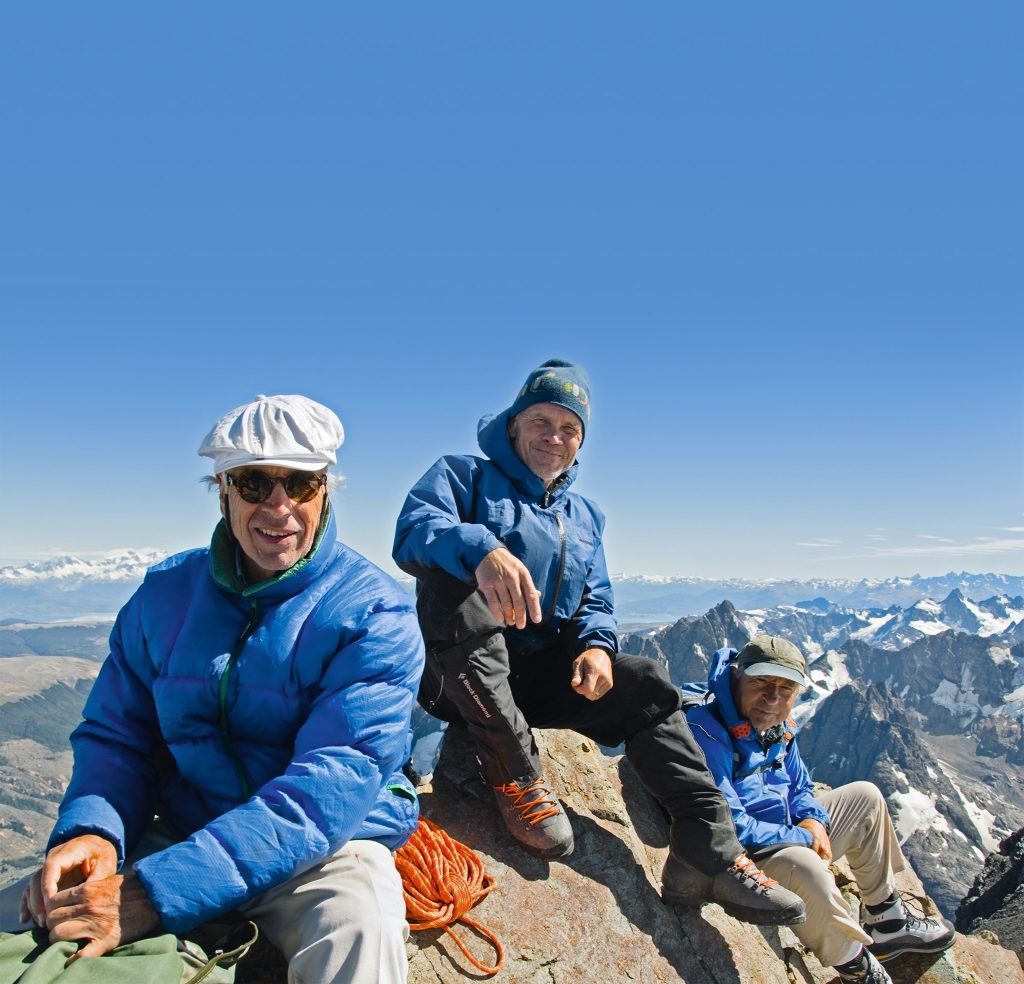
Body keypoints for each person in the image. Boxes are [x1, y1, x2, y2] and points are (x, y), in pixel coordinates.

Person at [18, 394, 424, 984]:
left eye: (302, 485)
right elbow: (119, 734)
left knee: (358, 930)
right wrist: (93, 830)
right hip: (190, 825)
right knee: (27, 917)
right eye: (255, 483)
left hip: (327, 848)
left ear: (326, 490)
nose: (279, 507)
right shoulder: (164, 596)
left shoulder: (372, 613)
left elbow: (332, 784)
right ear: (223, 490)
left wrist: (155, 894)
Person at [393, 358, 806, 926]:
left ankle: (706, 854)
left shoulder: (585, 516)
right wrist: (482, 551)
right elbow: (414, 531)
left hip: (534, 680)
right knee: (453, 591)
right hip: (459, 672)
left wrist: (596, 648)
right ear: (513, 424)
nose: (553, 437)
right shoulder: (462, 477)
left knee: (647, 684)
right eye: (541, 420)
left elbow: (598, 597)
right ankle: (515, 774)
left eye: (570, 429)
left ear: (580, 442)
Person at [685, 636, 956, 984]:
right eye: (761, 684)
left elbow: (801, 786)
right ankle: (857, 968)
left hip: (782, 834)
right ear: (737, 678)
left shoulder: (775, 726)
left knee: (865, 796)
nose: (773, 698)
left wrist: (813, 819)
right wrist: (801, 836)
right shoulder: (705, 729)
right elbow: (727, 822)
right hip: (740, 858)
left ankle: (887, 921)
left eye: (786, 689)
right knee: (809, 867)